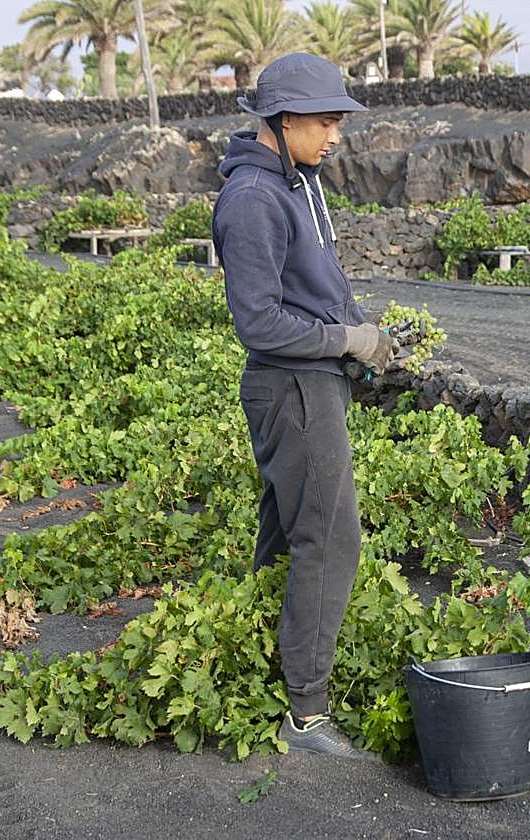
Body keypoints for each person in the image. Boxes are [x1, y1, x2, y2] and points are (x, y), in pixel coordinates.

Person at [212, 53, 398, 757]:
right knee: (331, 537)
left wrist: (362, 335)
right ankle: (306, 712)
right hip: (291, 386)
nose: (336, 135)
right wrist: (347, 339)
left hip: (312, 379)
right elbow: (258, 322)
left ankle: (253, 663)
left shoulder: (300, 181)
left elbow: (319, 283)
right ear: (285, 120)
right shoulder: (253, 199)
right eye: (325, 122)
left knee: (288, 532)